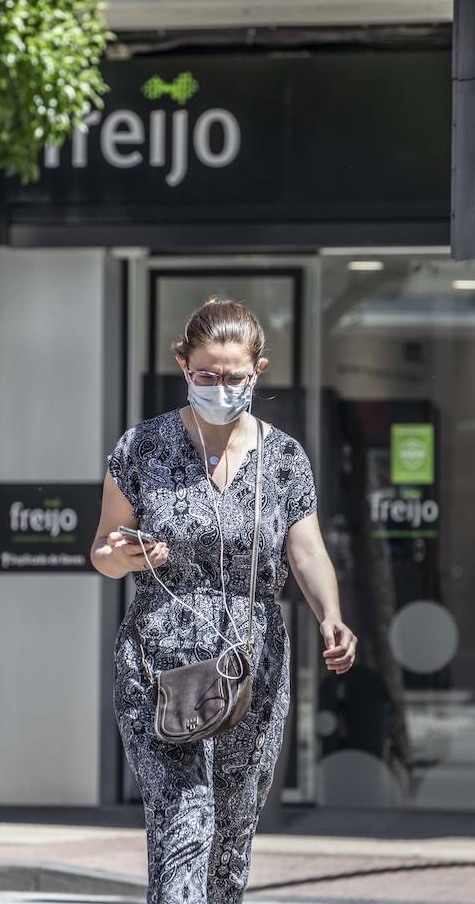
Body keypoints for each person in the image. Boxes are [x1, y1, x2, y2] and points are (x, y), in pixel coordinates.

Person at [91, 298, 357, 903]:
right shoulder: (142, 448)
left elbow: (306, 550)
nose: (220, 386)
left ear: (258, 369)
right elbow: (103, 550)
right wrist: (123, 556)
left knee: (232, 836)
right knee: (183, 821)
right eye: (205, 374)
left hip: (252, 664)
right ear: (182, 365)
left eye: (234, 376)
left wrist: (331, 618)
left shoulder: (285, 458)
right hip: (160, 661)